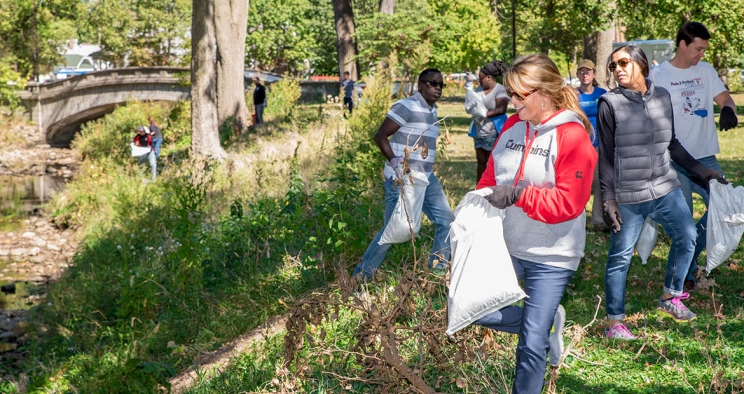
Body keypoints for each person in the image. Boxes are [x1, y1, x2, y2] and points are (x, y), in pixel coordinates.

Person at [474, 53, 597, 393]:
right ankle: (543, 324)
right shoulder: (514, 124)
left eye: (518, 95)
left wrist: (517, 196)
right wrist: (476, 206)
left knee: (530, 345)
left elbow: (569, 204)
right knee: (471, 307)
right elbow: (489, 177)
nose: (511, 102)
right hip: (506, 244)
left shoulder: (573, 137)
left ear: (543, 95)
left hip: (552, 254)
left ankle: (538, 330)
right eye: (510, 93)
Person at [597, 45, 727, 340]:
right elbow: (605, 156)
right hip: (629, 194)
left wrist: (702, 172)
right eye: (613, 66)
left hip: (665, 186)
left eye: (623, 62)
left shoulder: (662, 97)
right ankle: (615, 322)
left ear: (641, 64)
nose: (617, 69)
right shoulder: (609, 103)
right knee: (620, 257)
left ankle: (671, 297)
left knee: (688, 237)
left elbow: (673, 144)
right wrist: (608, 198)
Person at [649, 22, 739, 291]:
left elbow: (725, 98)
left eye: (704, 49)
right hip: (674, 160)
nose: (702, 54)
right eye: (698, 49)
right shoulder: (659, 75)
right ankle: (686, 276)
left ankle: (691, 258)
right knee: (684, 222)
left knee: (728, 207)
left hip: (706, 158)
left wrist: (728, 110)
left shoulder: (706, 70)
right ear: (683, 44)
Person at [352, 68, 455, 282]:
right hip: (403, 178)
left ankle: (436, 272)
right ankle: (360, 277)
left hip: (426, 178)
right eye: (432, 83)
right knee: (393, 230)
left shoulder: (433, 111)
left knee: (447, 220)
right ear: (420, 85)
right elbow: (380, 135)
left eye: (440, 85)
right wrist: (394, 160)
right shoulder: (406, 106)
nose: (437, 88)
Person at [576, 59, 608, 232]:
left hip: (600, 144)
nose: (585, 74)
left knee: (600, 181)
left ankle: (597, 221)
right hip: (579, 146)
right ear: (577, 74)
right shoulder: (573, 95)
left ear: (594, 74)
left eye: (588, 71)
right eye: (581, 71)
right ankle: (575, 217)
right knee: (581, 182)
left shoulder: (602, 94)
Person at [469, 60, 510, 183]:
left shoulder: (499, 90)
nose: (479, 80)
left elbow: (502, 109)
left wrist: (485, 114)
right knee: (480, 160)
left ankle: (491, 187)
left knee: (491, 162)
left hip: (493, 130)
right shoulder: (479, 89)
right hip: (479, 130)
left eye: (481, 77)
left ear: (489, 77)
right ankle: (479, 187)